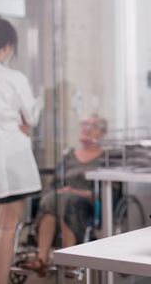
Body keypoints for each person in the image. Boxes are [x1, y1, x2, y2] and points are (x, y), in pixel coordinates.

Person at [0, 17, 42, 284]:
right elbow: (31, 117)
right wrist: (24, 120)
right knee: (7, 228)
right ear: (8, 46)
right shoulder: (13, 77)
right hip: (11, 160)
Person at [21, 115, 107, 275]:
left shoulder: (105, 158)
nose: (86, 129)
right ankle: (42, 259)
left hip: (88, 202)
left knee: (67, 201)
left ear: (102, 133)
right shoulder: (70, 156)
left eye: (92, 126)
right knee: (50, 198)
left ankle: (70, 261)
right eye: (85, 124)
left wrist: (74, 191)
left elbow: (106, 193)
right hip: (61, 200)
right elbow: (55, 183)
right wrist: (60, 191)